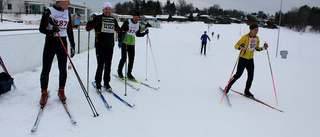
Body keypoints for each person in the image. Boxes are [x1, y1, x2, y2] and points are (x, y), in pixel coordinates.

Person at [39, 0, 75, 105]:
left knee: (63, 68)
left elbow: (69, 30)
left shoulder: (67, 13)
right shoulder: (49, 11)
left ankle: (61, 90)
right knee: (46, 68)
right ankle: (44, 92)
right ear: (59, 2)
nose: (69, 3)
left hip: (62, 43)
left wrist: (73, 44)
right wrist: (51, 32)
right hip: (50, 43)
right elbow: (41, 28)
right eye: (67, 1)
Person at [224, 24, 268, 98]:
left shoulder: (257, 38)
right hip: (243, 59)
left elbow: (256, 48)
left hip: (250, 59)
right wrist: (240, 47)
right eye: (255, 30)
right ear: (251, 30)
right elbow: (236, 46)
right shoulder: (245, 37)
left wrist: (263, 48)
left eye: (257, 30)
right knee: (238, 75)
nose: (256, 31)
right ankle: (227, 87)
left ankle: (247, 91)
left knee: (251, 76)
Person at [86, 1, 120, 91]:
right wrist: (88, 24)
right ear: (103, 9)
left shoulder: (113, 19)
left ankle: (106, 83)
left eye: (109, 9)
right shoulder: (98, 18)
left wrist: (124, 29)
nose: (108, 11)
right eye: (106, 9)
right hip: (100, 46)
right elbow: (88, 28)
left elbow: (119, 30)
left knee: (108, 65)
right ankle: (98, 82)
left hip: (110, 46)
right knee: (100, 65)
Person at [117, 11, 149, 80]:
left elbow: (137, 34)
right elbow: (120, 31)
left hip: (132, 43)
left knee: (131, 59)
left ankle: (129, 74)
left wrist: (144, 33)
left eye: (138, 17)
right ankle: (119, 72)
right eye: (135, 17)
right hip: (125, 42)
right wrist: (119, 41)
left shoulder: (138, 25)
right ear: (133, 17)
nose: (136, 19)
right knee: (124, 58)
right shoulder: (127, 22)